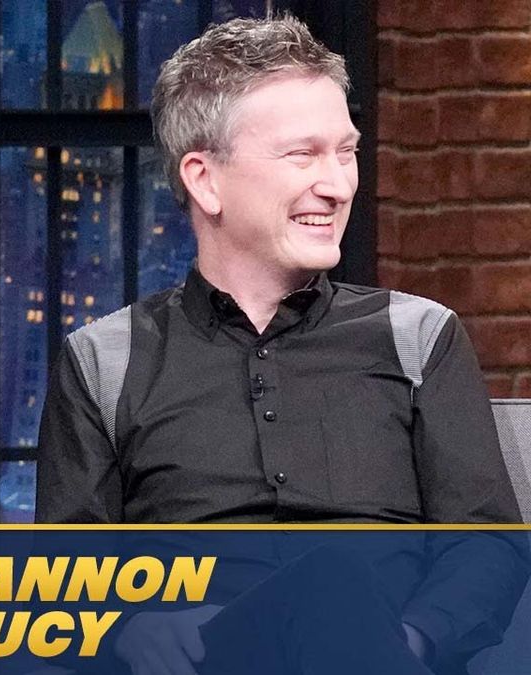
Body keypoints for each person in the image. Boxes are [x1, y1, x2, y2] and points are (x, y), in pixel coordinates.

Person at [35, 15, 527, 675]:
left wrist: (408, 644)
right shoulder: (105, 360)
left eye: (346, 152)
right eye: (303, 155)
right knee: (329, 575)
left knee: (334, 578)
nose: (338, 184)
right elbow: (62, 581)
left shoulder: (419, 337)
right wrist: (129, 628)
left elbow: (487, 545)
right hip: (206, 663)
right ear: (205, 179)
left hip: (384, 658)